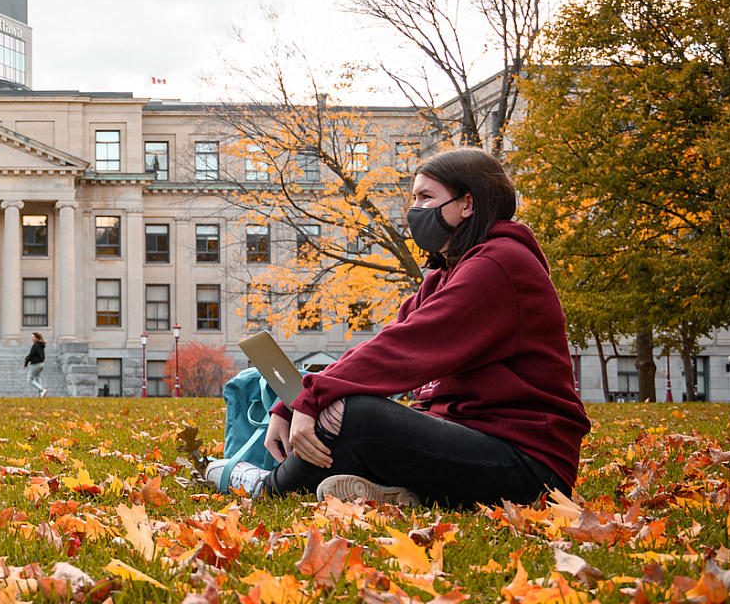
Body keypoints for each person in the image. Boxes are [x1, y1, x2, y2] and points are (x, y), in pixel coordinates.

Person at [209, 147, 590, 507]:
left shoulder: (500, 265)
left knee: (354, 415)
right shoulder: (444, 275)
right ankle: (392, 490)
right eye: (414, 199)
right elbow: (380, 343)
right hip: (470, 439)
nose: (415, 210)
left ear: (467, 204)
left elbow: (405, 349)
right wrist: (292, 404)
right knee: (344, 406)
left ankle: (269, 486)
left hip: (529, 467)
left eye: (426, 197)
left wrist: (312, 398)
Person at [23, 332, 48, 397]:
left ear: (36, 338)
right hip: (41, 364)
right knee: (38, 377)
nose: (32, 339)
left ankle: (41, 389)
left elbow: (31, 354)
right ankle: (40, 393)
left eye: (33, 337)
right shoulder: (41, 345)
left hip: (35, 364)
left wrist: (26, 361)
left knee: (30, 379)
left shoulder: (36, 345)